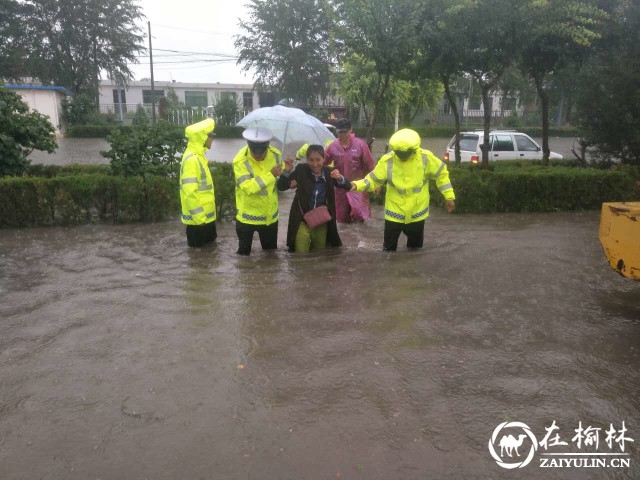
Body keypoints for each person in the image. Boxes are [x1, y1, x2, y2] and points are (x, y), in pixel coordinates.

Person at [350, 128, 455, 251]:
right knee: (388, 251)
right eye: (399, 155)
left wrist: (449, 197)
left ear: (414, 150)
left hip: (417, 213)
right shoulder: (387, 161)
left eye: (406, 154)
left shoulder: (426, 158)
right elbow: (372, 180)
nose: (402, 158)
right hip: (394, 213)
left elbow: (441, 174)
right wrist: (356, 185)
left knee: (415, 251)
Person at [278, 144, 350, 253]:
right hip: (301, 219)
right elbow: (281, 186)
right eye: (311, 160)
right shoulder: (301, 170)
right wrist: (286, 172)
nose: (315, 164)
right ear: (307, 160)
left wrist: (340, 178)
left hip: (321, 220)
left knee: (319, 254)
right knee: (301, 255)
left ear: (324, 159)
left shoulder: (330, 172)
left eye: (318, 160)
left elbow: (347, 186)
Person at [233, 127, 284, 255]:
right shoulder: (239, 161)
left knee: (271, 255)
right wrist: (270, 175)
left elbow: (279, 178)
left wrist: (286, 171)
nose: (257, 156)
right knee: (243, 257)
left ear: (267, 147)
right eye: (254, 152)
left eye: (261, 153)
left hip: (269, 217)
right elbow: (248, 188)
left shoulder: (276, 155)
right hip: (247, 218)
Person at [324, 118, 375, 223]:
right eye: (339, 132)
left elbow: (370, 165)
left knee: (359, 219)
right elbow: (323, 162)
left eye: (344, 132)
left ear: (350, 130)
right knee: (341, 220)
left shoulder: (360, 145)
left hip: (357, 187)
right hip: (340, 189)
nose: (341, 134)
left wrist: (375, 184)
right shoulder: (333, 146)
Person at [179, 118, 217, 247]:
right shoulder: (192, 160)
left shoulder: (199, 156)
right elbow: (190, 193)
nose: (213, 138)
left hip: (206, 219)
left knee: (209, 258)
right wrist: (200, 219)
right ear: (203, 137)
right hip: (199, 222)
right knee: (198, 262)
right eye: (212, 135)